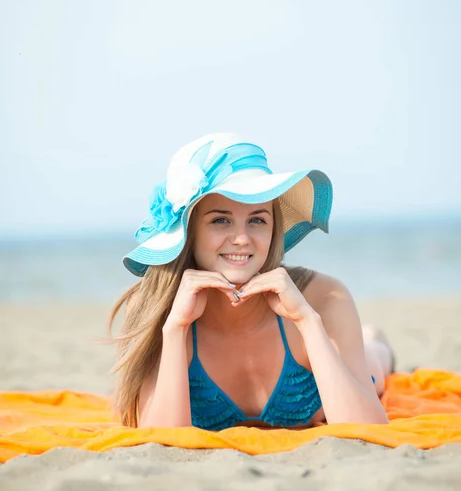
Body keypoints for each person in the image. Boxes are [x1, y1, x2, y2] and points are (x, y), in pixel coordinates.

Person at [109, 133, 394, 430]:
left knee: (375, 362)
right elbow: (161, 439)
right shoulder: (153, 308)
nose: (242, 239)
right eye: (221, 220)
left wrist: (307, 320)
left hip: (352, 362)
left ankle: (374, 341)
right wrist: (175, 328)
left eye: (257, 220)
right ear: (189, 231)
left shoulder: (326, 297)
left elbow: (367, 429)